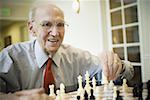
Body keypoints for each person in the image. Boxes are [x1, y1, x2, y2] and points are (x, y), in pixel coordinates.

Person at [0, 2, 134, 99]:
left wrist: (119, 66)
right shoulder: (10, 57)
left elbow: (126, 73)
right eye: (47, 24)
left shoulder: (78, 57)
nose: (55, 33)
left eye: (60, 25)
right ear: (31, 28)